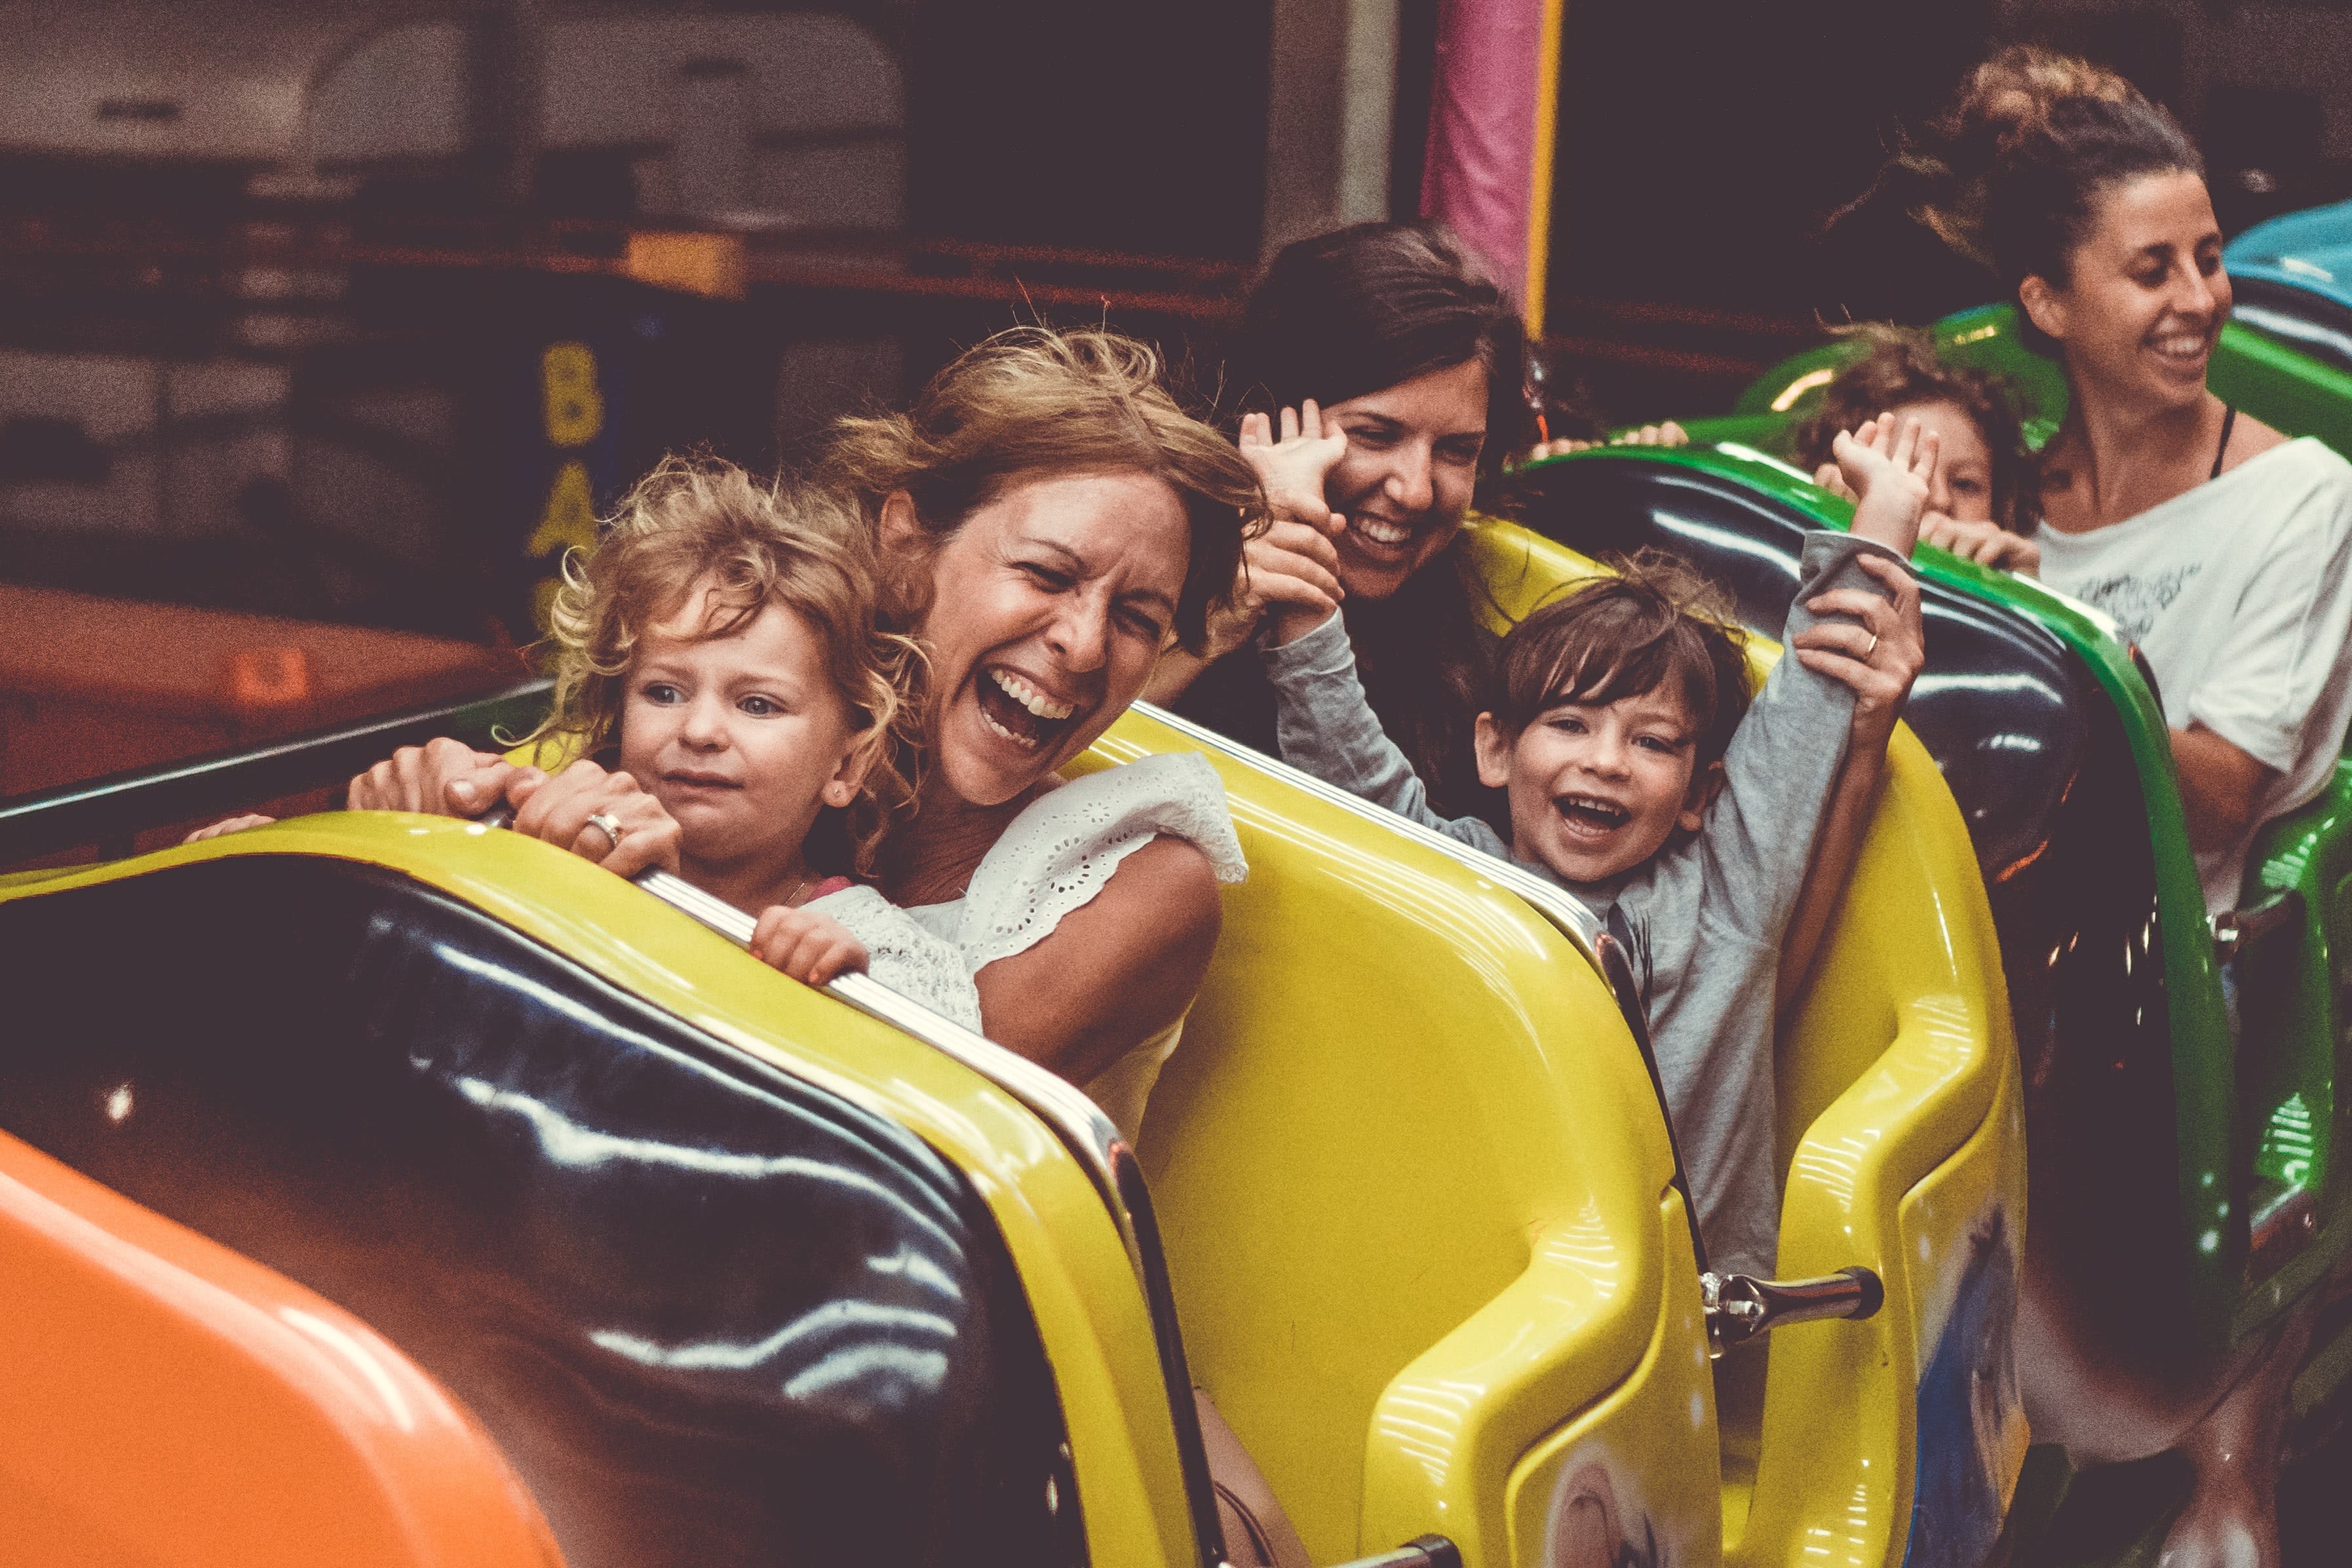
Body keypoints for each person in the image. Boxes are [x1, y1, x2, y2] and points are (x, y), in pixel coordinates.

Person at [1245, 406, 1934, 1278]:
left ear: (1699, 796)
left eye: (1651, 742)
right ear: (1495, 748)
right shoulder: (1456, 874)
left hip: (1681, 1339)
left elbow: (1811, 702)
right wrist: (1293, 529)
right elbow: (1338, 742)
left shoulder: (1723, 897)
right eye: (1569, 723)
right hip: (1499, 1291)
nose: (1607, 762)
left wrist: (1886, 515)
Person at [194, 457, 980, 1024]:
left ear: (845, 763)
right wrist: (290, 870)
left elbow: (962, 1059)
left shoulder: (865, 937)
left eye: (759, 705)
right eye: (663, 691)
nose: (699, 730)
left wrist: (855, 997)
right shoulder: (546, 849)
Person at [1908, 46, 2352, 921]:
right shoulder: (1999, 490)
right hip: (1960, 907)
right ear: (2047, 304)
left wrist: (2050, 632)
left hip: (2153, 970)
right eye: (2153, 271)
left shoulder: (2304, 498)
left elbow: (2220, 803)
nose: (2200, 299)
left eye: (2209, 259)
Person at [1146, 221, 1537, 827]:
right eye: (1376, 435)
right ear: (1267, 418)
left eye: (1457, 451)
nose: (1415, 490)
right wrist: (1211, 628)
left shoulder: (1484, 667)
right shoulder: (1135, 568)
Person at [1790, 324, 2042, 571]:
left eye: (1966, 484)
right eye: (1907, 474)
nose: (1941, 500)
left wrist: (2023, 591)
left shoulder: (2015, 571)